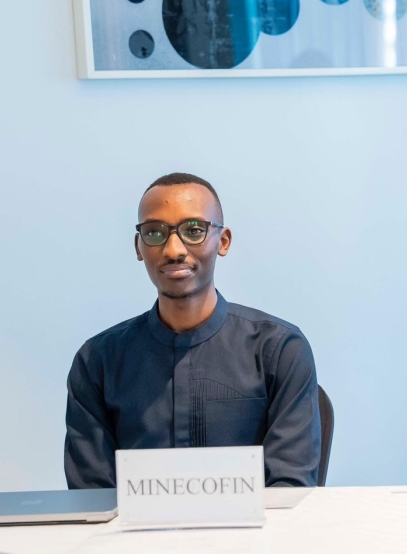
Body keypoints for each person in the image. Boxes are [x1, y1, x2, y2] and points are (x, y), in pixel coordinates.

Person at [64, 172, 321, 489]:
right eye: (155, 232)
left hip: (254, 525)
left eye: (194, 230)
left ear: (223, 241)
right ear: (139, 247)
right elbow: (92, 498)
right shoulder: (98, 362)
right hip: (135, 525)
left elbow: (289, 489)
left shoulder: (280, 351)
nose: (173, 249)